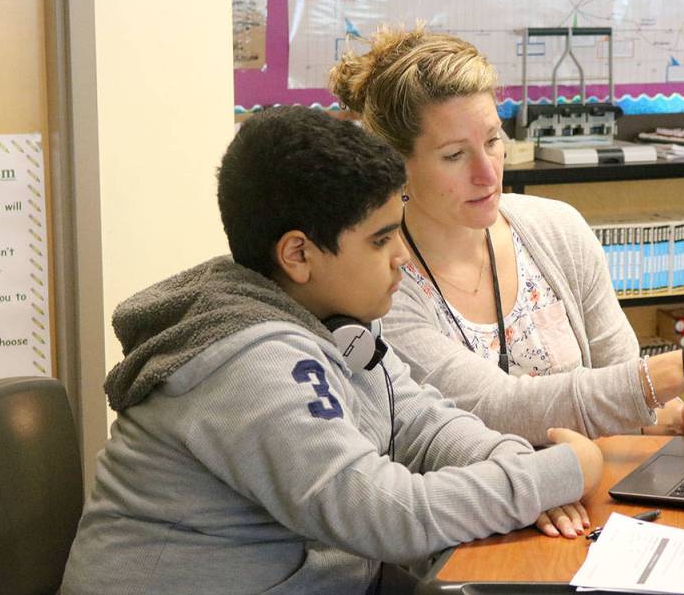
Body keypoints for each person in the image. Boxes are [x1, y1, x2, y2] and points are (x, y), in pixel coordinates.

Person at [61, 106, 604, 594]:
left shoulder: (330, 320)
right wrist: (558, 472)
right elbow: (385, 515)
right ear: (299, 254)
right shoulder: (251, 362)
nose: (403, 260)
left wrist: (506, 462)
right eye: (380, 240)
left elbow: (420, 422)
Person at [329, 26, 684, 532]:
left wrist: (675, 420)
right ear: (396, 166)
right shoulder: (380, 280)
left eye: (493, 140)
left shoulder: (554, 228)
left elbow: (620, 389)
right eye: (454, 155)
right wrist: (681, 371)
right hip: (473, 528)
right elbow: (496, 407)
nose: (489, 173)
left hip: (589, 507)